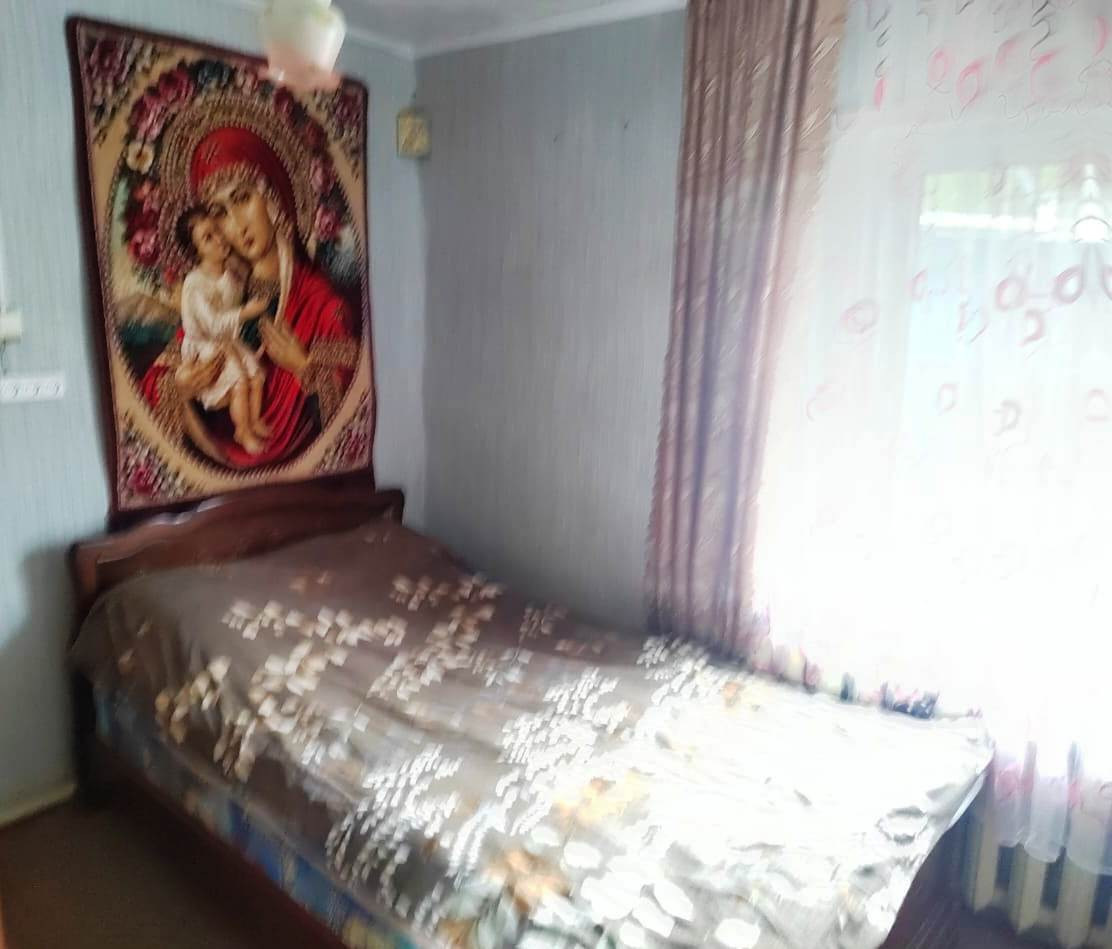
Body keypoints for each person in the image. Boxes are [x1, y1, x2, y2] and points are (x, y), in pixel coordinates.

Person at [176, 206, 271, 454]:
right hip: (206, 346)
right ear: (196, 251)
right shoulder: (195, 284)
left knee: (256, 375)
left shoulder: (231, 273)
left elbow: (235, 301)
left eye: (217, 231)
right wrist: (246, 312)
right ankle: (243, 431)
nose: (219, 239)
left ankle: (254, 421)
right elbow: (213, 325)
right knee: (239, 381)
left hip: (227, 340)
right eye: (208, 238)